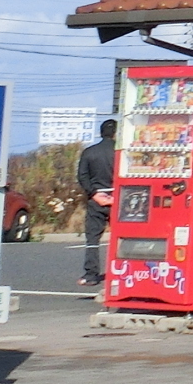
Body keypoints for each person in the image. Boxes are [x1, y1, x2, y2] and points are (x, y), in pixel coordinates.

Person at [77, 118, 116, 287]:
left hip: (96, 198)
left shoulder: (89, 152)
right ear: (116, 133)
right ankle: (120, 271)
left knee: (92, 238)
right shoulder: (121, 151)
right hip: (119, 197)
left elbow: (82, 176)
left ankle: (91, 274)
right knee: (122, 236)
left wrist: (93, 193)